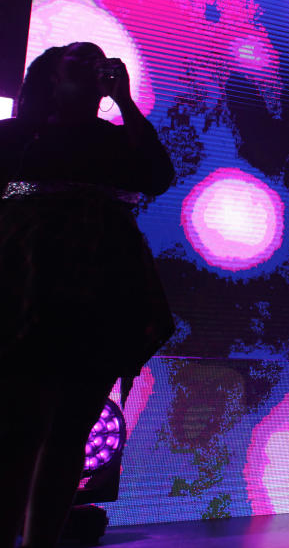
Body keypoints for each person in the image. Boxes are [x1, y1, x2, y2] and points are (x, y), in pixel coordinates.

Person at [0, 43, 175, 548]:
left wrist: (125, 101)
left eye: (100, 63)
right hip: (29, 288)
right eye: (79, 62)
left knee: (68, 433)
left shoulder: (119, 141)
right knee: (19, 429)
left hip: (102, 294)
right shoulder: (18, 136)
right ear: (50, 78)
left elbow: (158, 175)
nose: (95, 68)